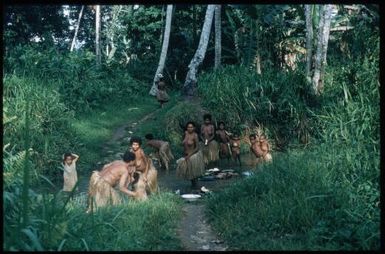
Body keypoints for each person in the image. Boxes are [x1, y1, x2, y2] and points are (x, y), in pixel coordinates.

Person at [176, 121, 205, 188]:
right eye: (188, 127)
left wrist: (190, 155)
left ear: (194, 128)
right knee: (189, 173)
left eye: (191, 127)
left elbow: (197, 147)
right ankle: (193, 186)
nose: (190, 128)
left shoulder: (195, 135)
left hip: (193, 156)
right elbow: (182, 144)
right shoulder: (185, 133)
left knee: (194, 174)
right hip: (186, 155)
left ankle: (196, 187)